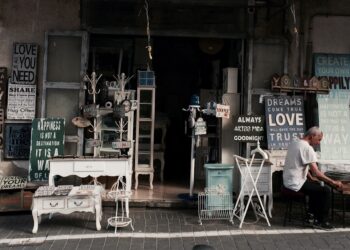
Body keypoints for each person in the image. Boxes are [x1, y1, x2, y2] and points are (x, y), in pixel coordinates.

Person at [283, 126, 342, 230]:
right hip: (296, 183)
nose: (319, 143)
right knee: (325, 191)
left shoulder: (294, 143)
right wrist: (332, 182)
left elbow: (299, 165)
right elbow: (316, 173)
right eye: (318, 139)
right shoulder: (307, 148)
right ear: (312, 136)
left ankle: (310, 215)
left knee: (316, 186)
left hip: (288, 181)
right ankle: (322, 221)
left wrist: (310, 177)